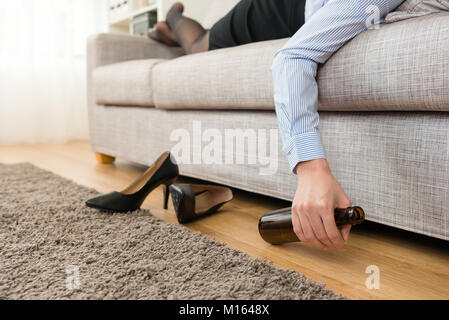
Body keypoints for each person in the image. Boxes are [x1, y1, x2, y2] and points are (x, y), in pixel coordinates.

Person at [149, 0, 404, 251]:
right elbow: (292, 58)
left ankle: (171, 31)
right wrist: (312, 169)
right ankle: (173, 19)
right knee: (200, 45)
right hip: (280, 8)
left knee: (202, 43)